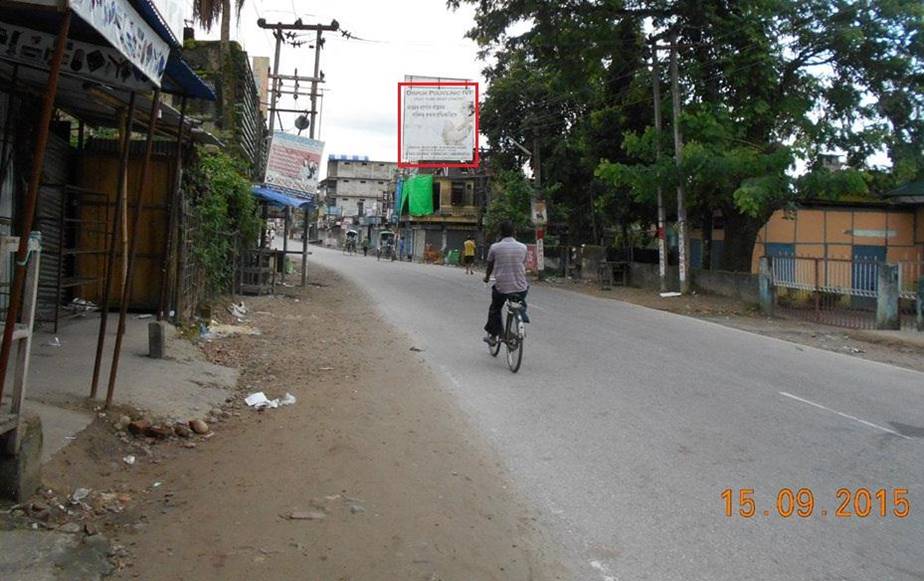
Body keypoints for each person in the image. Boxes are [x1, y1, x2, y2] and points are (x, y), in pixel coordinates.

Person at [483, 220, 529, 345]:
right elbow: (523, 264)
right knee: (521, 296)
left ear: (500, 233)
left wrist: (487, 277)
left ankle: (493, 335)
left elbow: (490, 265)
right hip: (520, 287)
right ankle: (522, 314)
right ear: (514, 232)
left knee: (495, 308)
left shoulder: (495, 247)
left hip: (502, 288)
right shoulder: (523, 247)